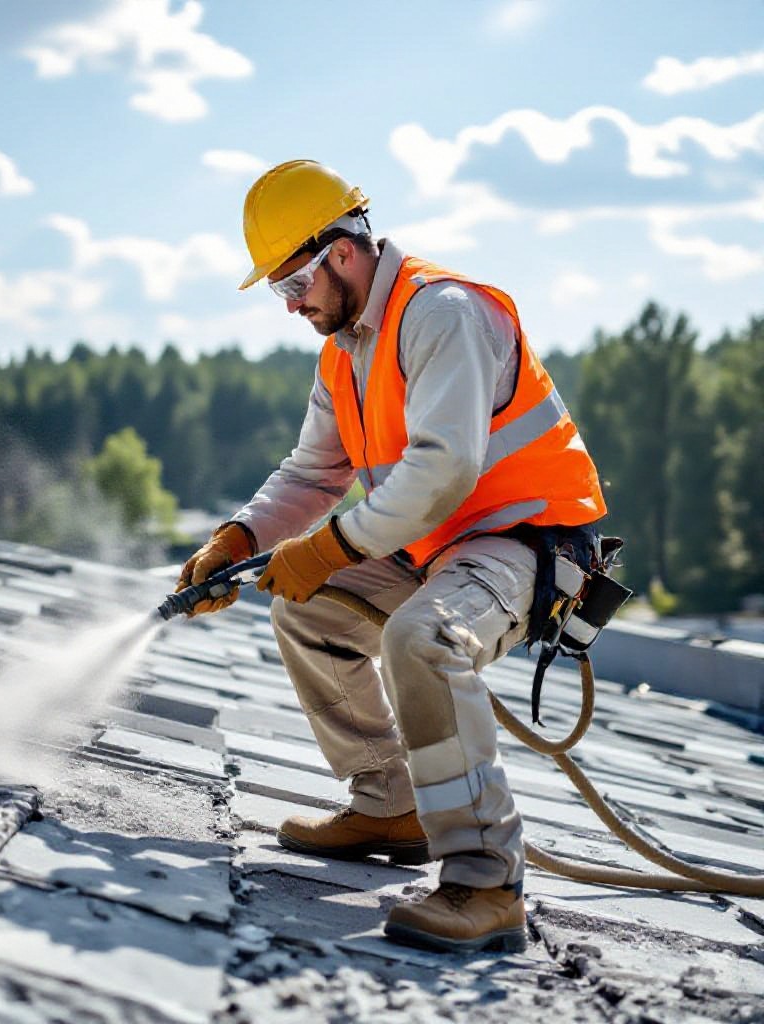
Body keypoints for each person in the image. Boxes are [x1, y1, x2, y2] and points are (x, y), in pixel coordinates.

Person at [176, 159, 606, 954]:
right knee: (310, 608)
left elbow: (445, 470)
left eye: (294, 283)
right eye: (279, 291)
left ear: (342, 251)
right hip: (436, 544)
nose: (293, 304)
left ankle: (485, 884)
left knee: (424, 639)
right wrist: (238, 539)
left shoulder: (444, 313)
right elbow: (313, 473)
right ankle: (389, 802)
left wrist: (331, 546)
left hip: (526, 539)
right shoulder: (343, 350)